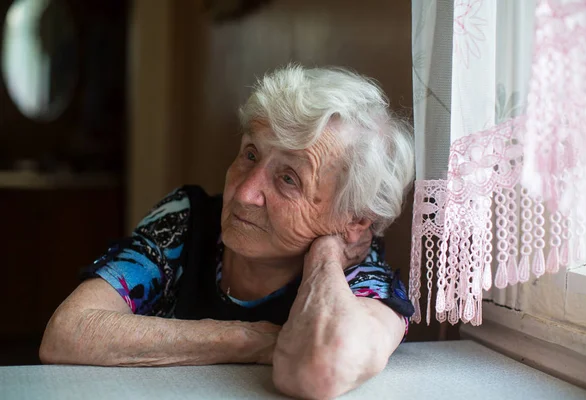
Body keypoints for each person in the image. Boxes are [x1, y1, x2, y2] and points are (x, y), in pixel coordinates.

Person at [40, 65, 415, 399]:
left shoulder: (360, 281)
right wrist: (250, 339)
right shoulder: (187, 222)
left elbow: (322, 371)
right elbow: (68, 332)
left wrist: (326, 254)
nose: (245, 193)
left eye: (288, 179)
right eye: (251, 154)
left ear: (356, 222)